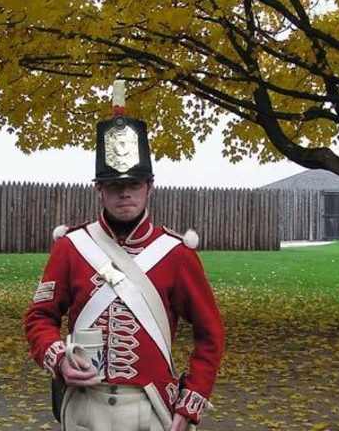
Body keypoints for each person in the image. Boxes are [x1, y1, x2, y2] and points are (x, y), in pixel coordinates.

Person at [24, 81, 225, 431]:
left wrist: (190, 400)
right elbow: (39, 317)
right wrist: (59, 360)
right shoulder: (71, 247)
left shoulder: (176, 254)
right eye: (115, 186)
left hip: (151, 407)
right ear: (99, 190)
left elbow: (211, 333)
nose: (125, 194)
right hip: (85, 406)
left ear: (149, 187)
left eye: (134, 184)